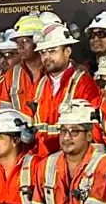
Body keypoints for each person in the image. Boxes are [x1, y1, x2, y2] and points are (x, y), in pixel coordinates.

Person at [30, 23, 102, 156]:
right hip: (42, 161)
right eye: (42, 52)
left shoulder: (83, 83)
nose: (46, 57)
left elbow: (92, 132)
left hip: (70, 160)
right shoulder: (39, 86)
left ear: (67, 51)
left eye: (52, 51)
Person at [0, 13, 47, 114]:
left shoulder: (53, 71)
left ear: (38, 41)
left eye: (25, 41)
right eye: (17, 42)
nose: (20, 46)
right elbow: (5, 113)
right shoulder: (11, 75)